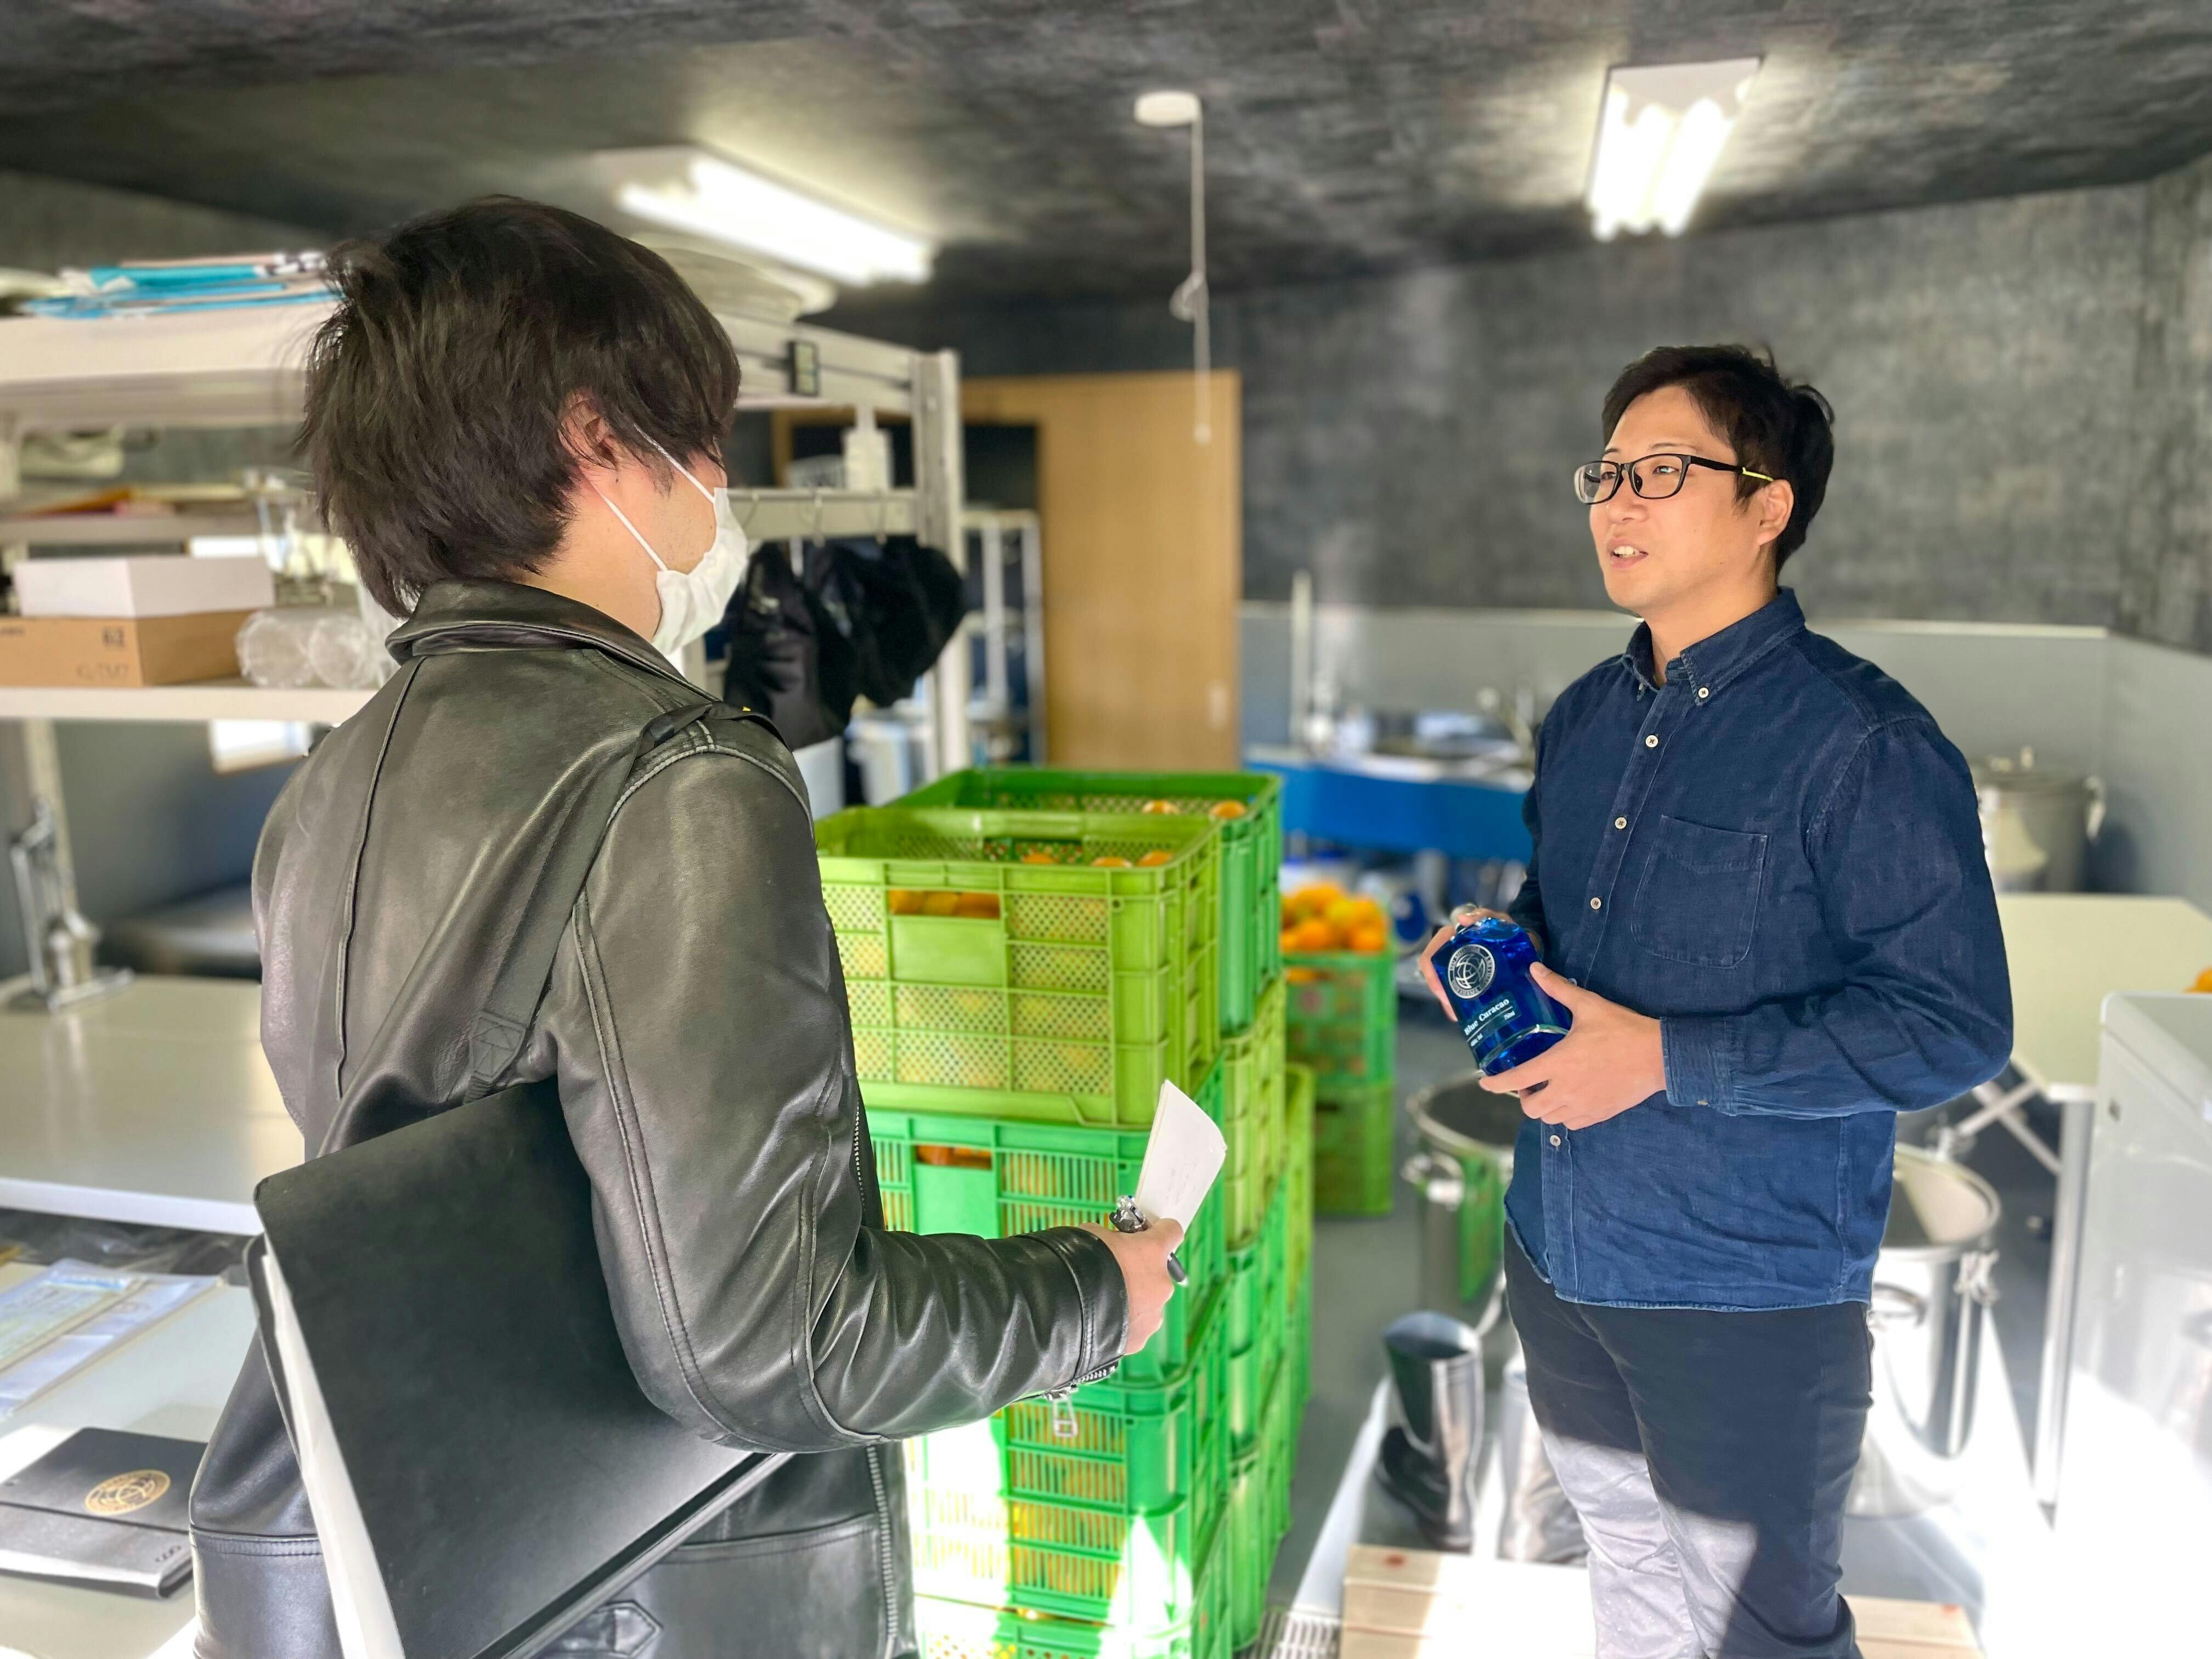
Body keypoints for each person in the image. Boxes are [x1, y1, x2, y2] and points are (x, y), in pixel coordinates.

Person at [186, 198, 1182, 1659]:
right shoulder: (681, 778)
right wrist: (1090, 1292)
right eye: (705, 445)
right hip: (655, 1595)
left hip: (428, 1559)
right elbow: (776, 1345)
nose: (720, 488)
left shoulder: (326, 785)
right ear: (598, 441)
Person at [1421, 345, 2011, 1659]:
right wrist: (1499, 952)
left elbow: (1953, 1023)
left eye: (1662, 472)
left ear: (1767, 506)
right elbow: (1559, 911)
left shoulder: (1865, 744)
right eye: (1607, 474)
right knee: (1629, 1580)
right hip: (1558, 1254)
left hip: (1743, 1295)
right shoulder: (1584, 718)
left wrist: (1665, 1059)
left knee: (1762, 1634)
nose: (1617, 503)